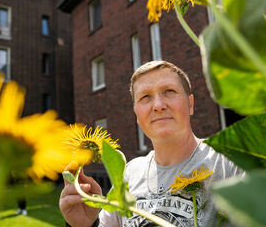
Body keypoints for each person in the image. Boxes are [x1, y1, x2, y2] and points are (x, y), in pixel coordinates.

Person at [59, 60, 243, 227]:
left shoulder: (230, 164)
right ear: (137, 114)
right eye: (145, 97)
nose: (158, 105)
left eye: (169, 91)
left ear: (190, 104)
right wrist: (84, 224)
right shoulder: (129, 173)